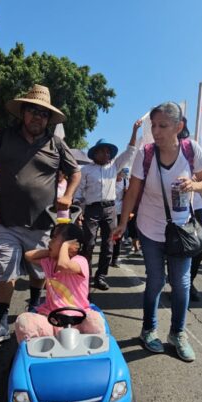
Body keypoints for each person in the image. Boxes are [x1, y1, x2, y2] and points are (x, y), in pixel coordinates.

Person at [0, 84, 81, 343]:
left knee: (39, 272)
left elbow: (75, 172)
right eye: (33, 111)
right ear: (22, 112)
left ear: (49, 119)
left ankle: (34, 307)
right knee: (5, 270)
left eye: (43, 114)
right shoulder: (4, 138)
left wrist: (68, 196)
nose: (38, 117)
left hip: (42, 225)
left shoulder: (56, 143)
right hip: (6, 222)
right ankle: (0, 322)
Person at [112, 102, 202, 362]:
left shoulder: (191, 150)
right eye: (153, 126)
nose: (155, 131)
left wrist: (193, 184)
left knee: (181, 283)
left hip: (181, 229)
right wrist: (123, 223)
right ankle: (148, 330)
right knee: (155, 281)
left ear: (178, 127)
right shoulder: (145, 154)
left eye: (163, 126)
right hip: (149, 226)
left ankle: (177, 334)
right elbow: (132, 191)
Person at [15, 223, 105, 341]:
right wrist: (52, 251)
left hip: (79, 320)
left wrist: (65, 246)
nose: (49, 241)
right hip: (52, 319)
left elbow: (63, 265)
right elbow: (29, 256)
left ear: (71, 243)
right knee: (24, 322)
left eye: (54, 238)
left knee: (95, 320)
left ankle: (94, 351)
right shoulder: (50, 261)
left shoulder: (80, 261)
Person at [77, 122, 140, 290]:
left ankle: (101, 277)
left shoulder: (114, 167)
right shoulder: (86, 170)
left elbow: (130, 151)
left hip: (110, 209)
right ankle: (85, 276)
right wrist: (78, 210)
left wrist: (134, 130)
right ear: (95, 153)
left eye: (108, 151)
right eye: (102, 151)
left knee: (108, 244)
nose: (106, 153)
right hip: (92, 209)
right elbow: (79, 192)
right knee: (89, 243)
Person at [110, 168, 130, 268]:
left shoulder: (126, 182)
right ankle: (107, 255)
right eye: (117, 172)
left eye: (121, 173)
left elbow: (130, 197)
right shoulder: (110, 181)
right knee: (109, 234)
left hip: (121, 211)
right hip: (109, 210)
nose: (119, 175)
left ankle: (115, 258)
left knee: (118, 235)